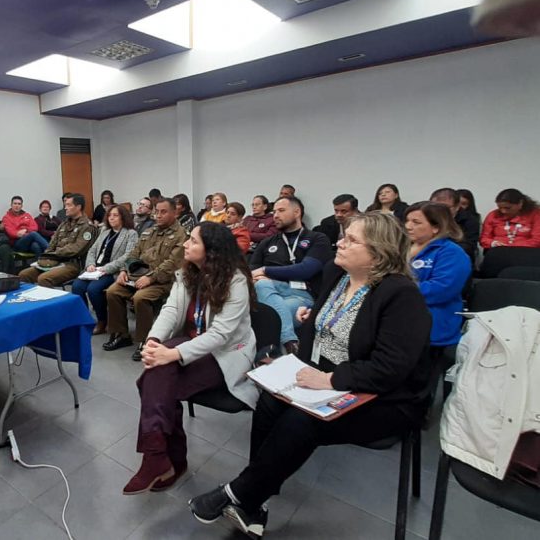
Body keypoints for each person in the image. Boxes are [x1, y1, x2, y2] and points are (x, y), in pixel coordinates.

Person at [187, 213, 432, 537]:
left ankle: (238, 493)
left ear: (379, 252)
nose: (340, 243)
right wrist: (293, 362)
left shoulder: (400, 295)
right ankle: (253, 499)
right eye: (343, 236)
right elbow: (317, 330)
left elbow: (390, 369)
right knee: (269, 403)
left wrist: (331, 381)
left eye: (352, 240)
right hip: (322, 376)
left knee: (302, 421)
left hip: (382, 396)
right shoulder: (337, 274)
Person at [122, 223, 258, 494]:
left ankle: (161, 459)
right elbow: (171, 310)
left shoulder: (237, 280)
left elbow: (220, 335)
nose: (186, 245)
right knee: (157, 380)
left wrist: (172, 353)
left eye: (193, 241)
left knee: (154, 383)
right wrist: (153, 341)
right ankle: (161, 458)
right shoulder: (188, 273)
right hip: (191, 345)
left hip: (224, 354)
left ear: (212, 250)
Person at [404, 202, 471, 406]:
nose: (408, 226)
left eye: (416, 222)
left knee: (420, 385)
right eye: (407, 220)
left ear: (436, 227)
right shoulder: (403, 247)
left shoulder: (452, 252)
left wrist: (398, 290)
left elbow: (441, 289)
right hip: (401, 322)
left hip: (433, 327)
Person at [104, 198, 187, 360]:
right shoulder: (150, 232)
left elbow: (172, 264)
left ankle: (145, 340)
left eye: (164, 212)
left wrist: (150, 278)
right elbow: (133, 254)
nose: (159, 215)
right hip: (138, 277)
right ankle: (121, 335)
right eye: (157, 212)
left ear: (174, 213)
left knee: (141, 297)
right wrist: (123, 270)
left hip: (164, 281)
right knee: (113, 291)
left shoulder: (181, 235)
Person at [248, 197, 332, 356]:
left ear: (297, 212)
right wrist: (262, 275)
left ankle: (270, 360)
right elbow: (252, 270)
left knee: (269, 317)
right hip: (267, 293)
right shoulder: (267, 242)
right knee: (262, 289)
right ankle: (290, 343)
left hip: (301, 295)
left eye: (281, 210)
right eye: (274, 212)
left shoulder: (317, 238)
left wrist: (267, 271)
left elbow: (306, 270)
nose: (275, 216)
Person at [72, 205, 138, 334]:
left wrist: (106, 268)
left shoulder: (131, 233)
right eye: (109, 215)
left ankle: (102, 320)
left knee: (93, 289)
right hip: (95, 269)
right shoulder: (105, 232)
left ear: (123, 217)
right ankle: (85, 319)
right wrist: (90, 264)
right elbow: (92, 250)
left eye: (115, 215)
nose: (111, 218)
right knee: (77, 287)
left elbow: (129, 255)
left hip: (112, 271)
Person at [18, 194, 97, 287]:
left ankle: (51, 301)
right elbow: (52, 243)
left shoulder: (87, 226)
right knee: (23, 275)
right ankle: (31, 300)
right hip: (55, 260)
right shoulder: (64, 224)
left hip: (72, 264)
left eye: (69, 205)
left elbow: (76, 248)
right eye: (65, 205)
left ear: (78, 207)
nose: (65, 208)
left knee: (44, 279)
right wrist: (48, 255)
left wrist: (55, 254)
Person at [430, 188, 480, 264]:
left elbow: (469, 247)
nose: (438, 211)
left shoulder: (470, 220)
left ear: (457, 207)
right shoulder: (427, 217)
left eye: (444, 208)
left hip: (456, 259)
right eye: (434, 207)